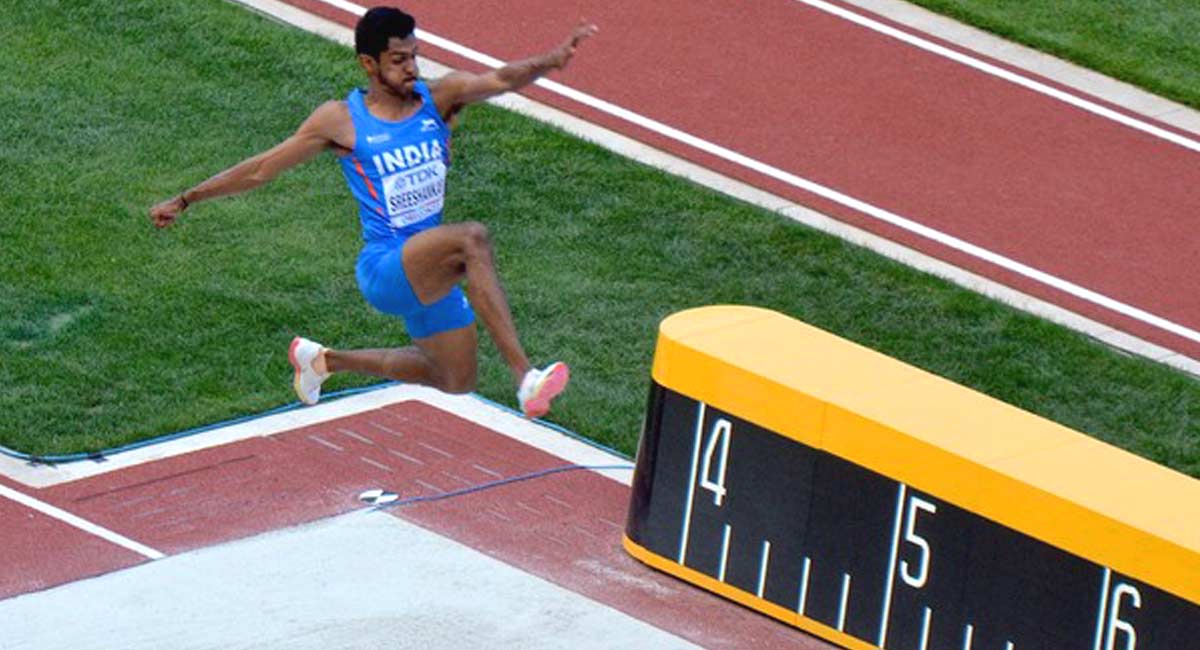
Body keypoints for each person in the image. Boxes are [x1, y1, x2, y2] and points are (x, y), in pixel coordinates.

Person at [149, 7, 598, 418]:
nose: (412, 68)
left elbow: (501, 79)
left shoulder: (439, 99)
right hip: (385, 268)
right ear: (369, 64)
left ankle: (323, 361)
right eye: (399, 59)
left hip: (430, 269)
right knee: (471, 238)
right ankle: (525, 377)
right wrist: (187, 198)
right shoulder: (341, 120)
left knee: (456, 379)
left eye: (415, 56)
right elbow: (262, 169)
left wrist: (552, 60)